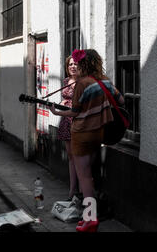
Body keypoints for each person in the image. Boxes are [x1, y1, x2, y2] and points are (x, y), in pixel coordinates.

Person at [49, 49, 124, 232]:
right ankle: (88, 217)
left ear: (83, 64)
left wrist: (57, 112)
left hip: (82, 134)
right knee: (89, 174)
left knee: (85, 178)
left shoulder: (83, 83)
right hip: (99, 133)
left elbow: (75, 112)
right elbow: (120, 100)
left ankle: (90, 218)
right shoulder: (104, 81)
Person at [57, 56, 80, 201]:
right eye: (70, 64)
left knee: (79, 158)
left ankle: (81, 191)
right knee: (71, 157)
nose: (72, 66)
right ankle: (72, 189)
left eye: (75, 63)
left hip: (78, 121)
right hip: (66, 121)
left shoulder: (83, 82)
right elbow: (64, 100)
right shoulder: (66, 81)